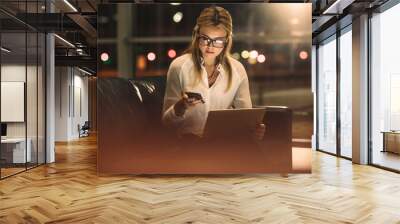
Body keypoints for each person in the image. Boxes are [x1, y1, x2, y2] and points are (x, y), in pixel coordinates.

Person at [162, 6, 265, 140]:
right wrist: (180, 107)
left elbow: (247, 118)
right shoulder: (179, 66)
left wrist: (254, 130)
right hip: (188, 142)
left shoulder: (237, 70)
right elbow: (166, 123)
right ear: (196, 35)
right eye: (205, 38)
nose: (210, 46)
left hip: (224, 142)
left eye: (218, 41)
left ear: (227, 39)